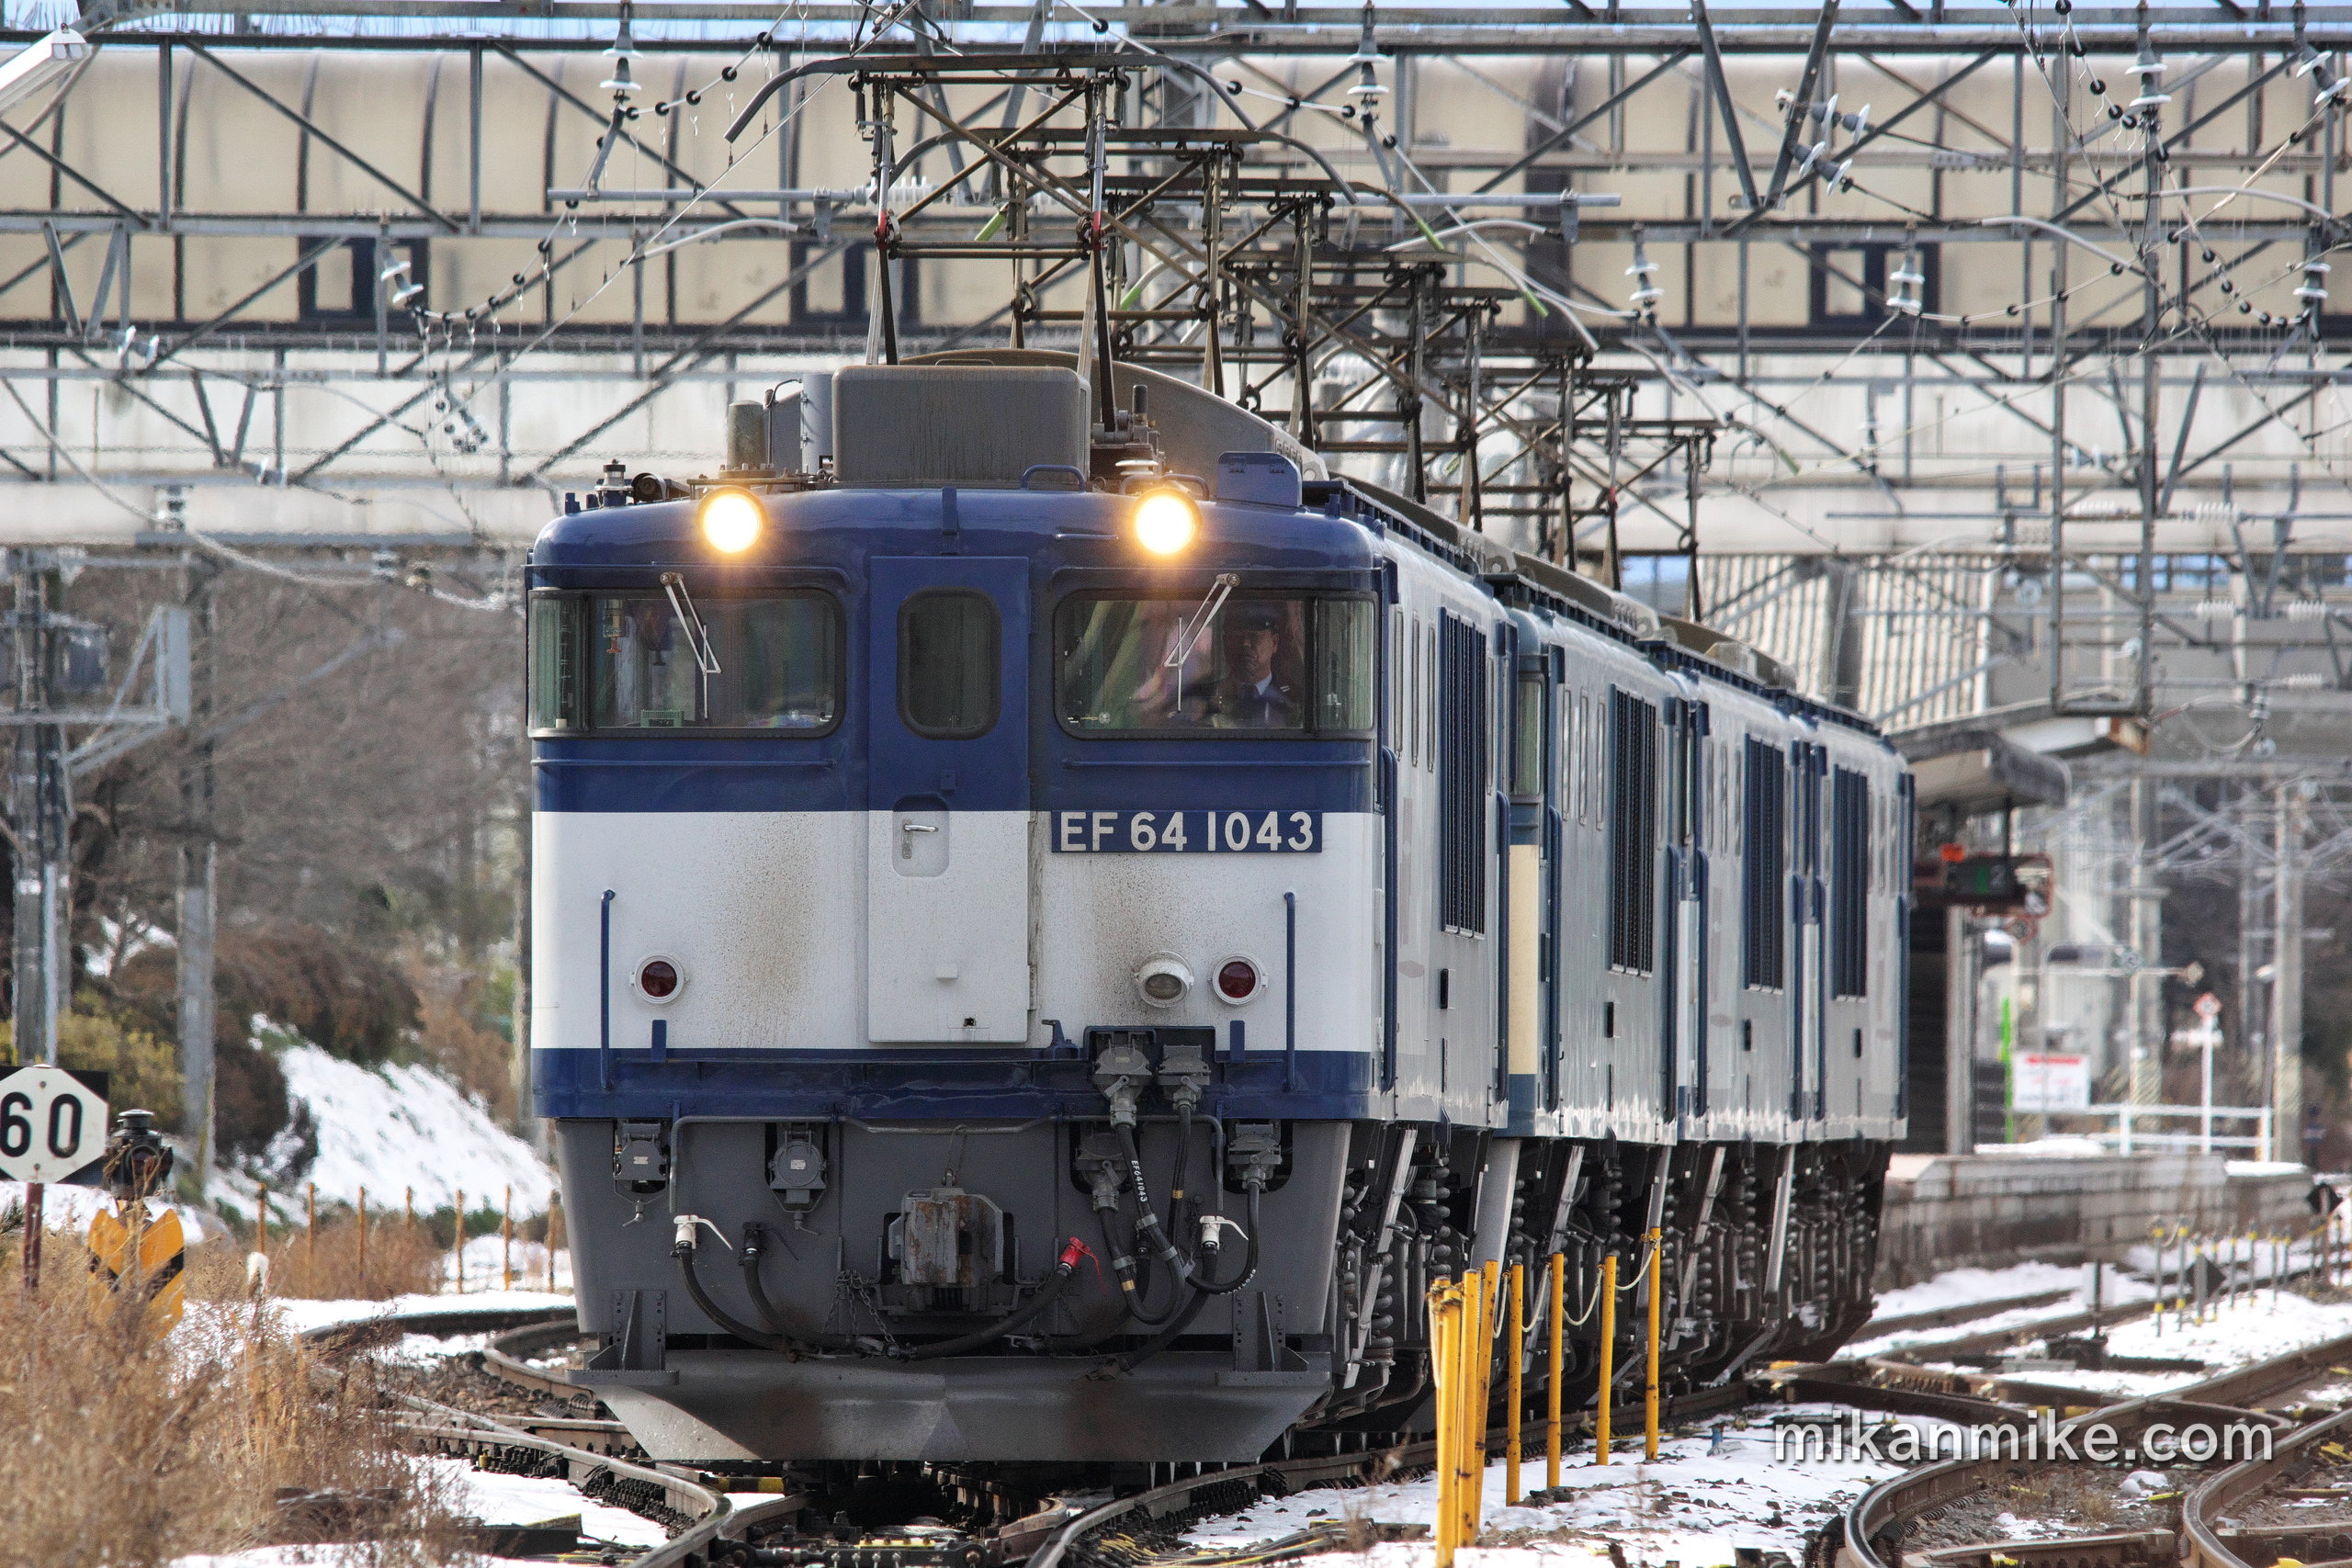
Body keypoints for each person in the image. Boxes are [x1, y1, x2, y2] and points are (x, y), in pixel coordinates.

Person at [1214, 604, 1302, 728]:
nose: (1245, 644)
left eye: (1254, 636)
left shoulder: (1294, 698)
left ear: (1275, 642)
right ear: (1225, 642)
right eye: (1236, 637)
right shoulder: (1207, 694)